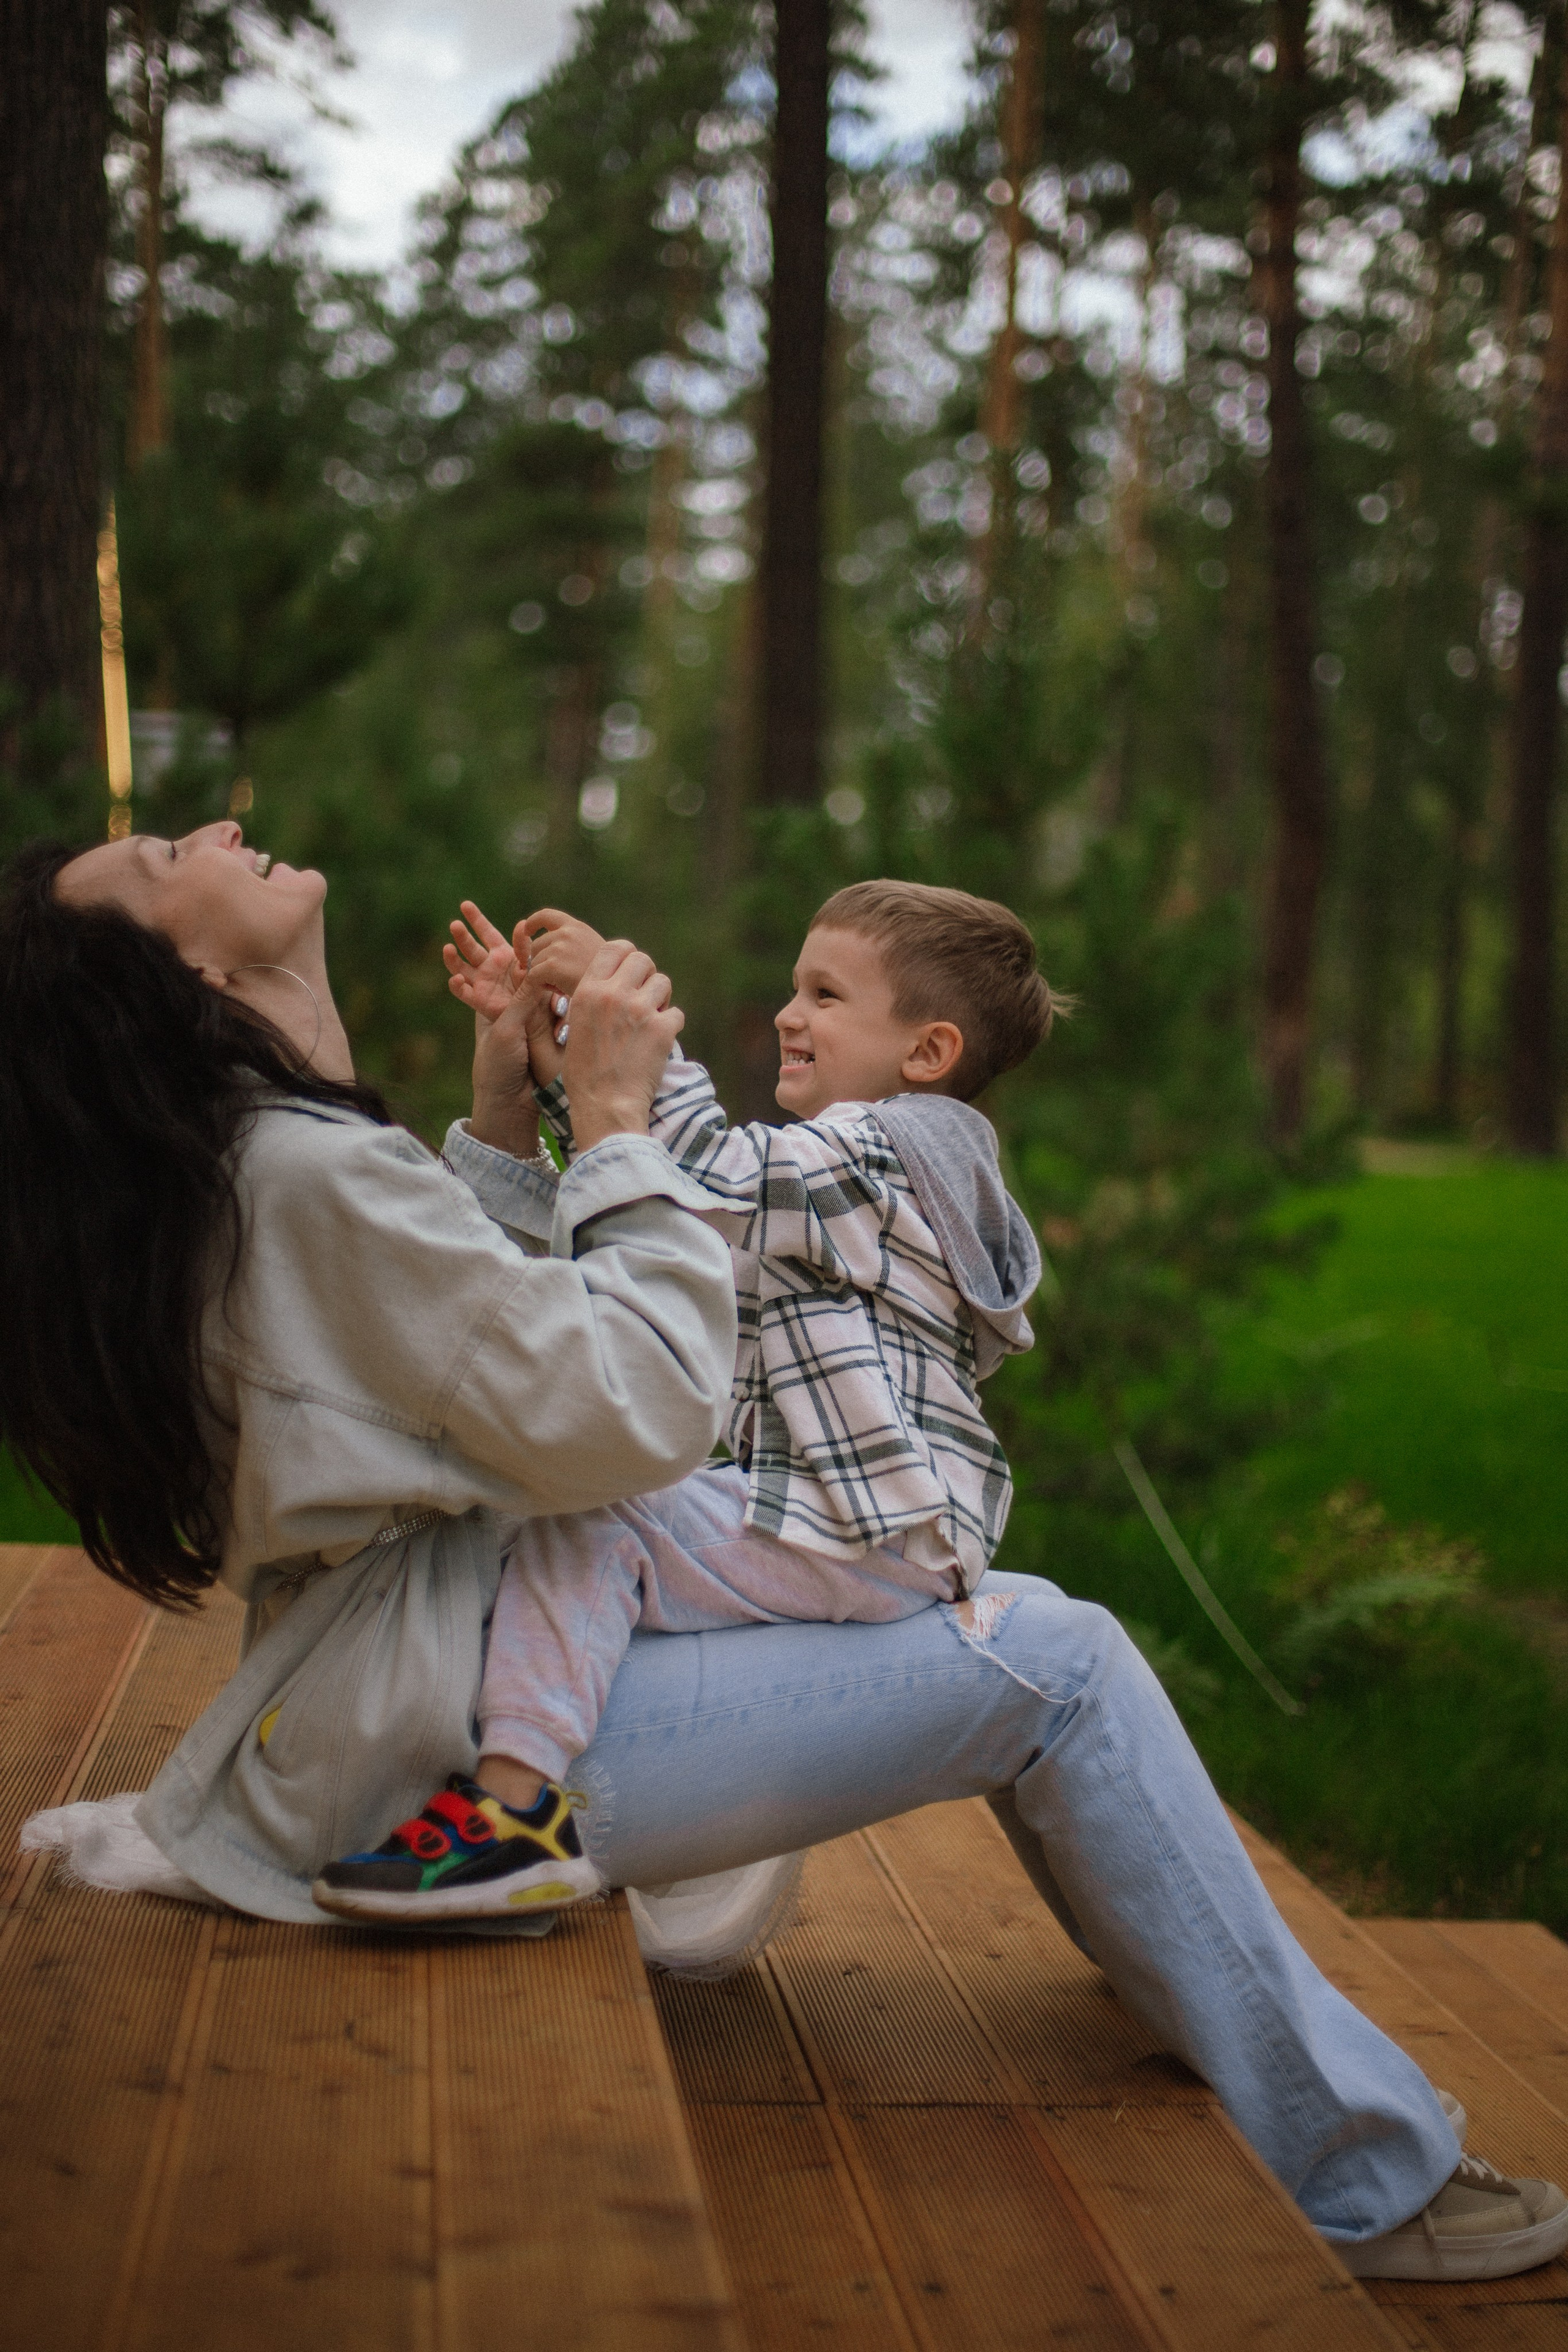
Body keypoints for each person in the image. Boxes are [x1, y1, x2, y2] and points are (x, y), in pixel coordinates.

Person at [2, 824, 1564, 2284]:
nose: (215, 833)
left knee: (1025, 1621)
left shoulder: (270, 1149)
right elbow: (626, 1411)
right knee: (1065, 1663)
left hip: (421, 1651)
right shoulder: (297, 1169)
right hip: (418, 1727)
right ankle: (1365, 2178)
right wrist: (619, 1113)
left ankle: (1211, 1994)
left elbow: (458, 1339)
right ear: (185, 968)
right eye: (169, 852)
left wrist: (508, 1111)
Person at [314, 882, 1055, 1926]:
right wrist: (561, 1053)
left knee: (598, 1513)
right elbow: (654, 1200)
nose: (789, 1014)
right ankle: (547, 1794)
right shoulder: (856, 1176)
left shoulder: (885, 1152)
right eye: (796, 987)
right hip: (868, 1529)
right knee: (587, 1512)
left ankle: (514, 1810)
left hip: (865, 1528)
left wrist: (621, 1001)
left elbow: (703, 1170)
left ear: (928, 1052)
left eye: (826, 995)